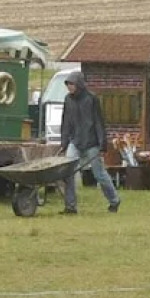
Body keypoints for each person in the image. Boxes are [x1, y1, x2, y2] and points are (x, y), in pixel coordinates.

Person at [59, 71, 120, 214]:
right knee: (68, 173)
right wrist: (64, 141)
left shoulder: (92, 99)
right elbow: (66, 122)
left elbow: (99, 122)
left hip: (92, 143)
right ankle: (70, 206)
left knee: (99, 174)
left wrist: (102, 143)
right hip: (75, 141)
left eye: (72, 84)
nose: (69, 87)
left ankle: (114, 200)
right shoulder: (68, 100)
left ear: (79, 84)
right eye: (68, 84)